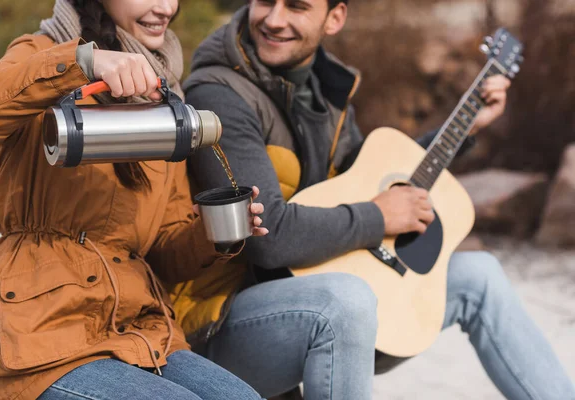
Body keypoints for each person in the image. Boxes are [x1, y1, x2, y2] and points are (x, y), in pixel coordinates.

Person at [178, 1, 575, 399]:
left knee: (479, 275)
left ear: (335, 18)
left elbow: (366, 179)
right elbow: (270, 238)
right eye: (266, 1)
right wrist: (377, 218)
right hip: (221, 322)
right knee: (346, 302)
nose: (274, 19)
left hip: (308, 286)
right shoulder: (220, 94)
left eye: (297, 7)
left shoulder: (322, 89)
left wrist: (463, 128)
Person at [0, 0, 270, 399]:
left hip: (137, 328)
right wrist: (84, 62)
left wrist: (212, 233)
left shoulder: (166, 95)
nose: (165, 7)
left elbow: (162, 249)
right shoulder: (43, 51)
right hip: (39, 332)